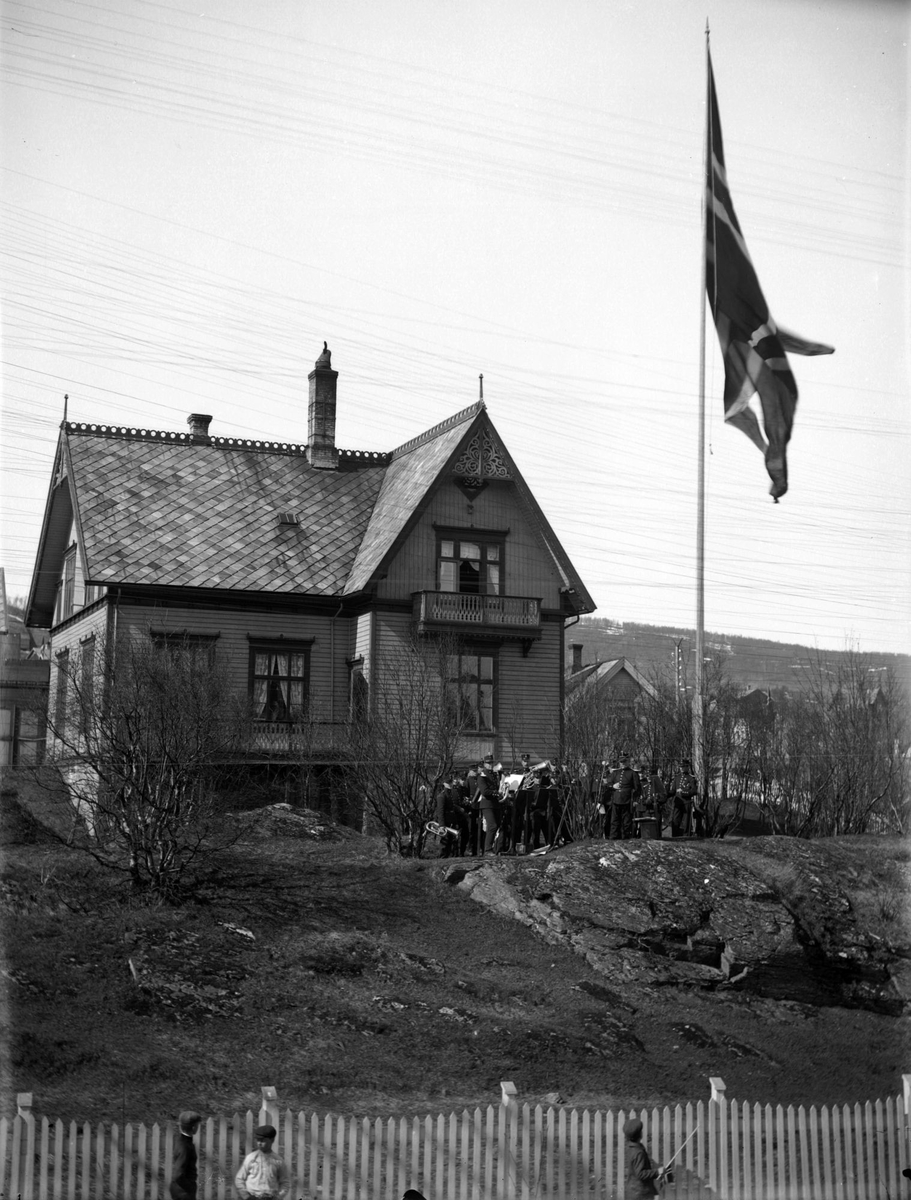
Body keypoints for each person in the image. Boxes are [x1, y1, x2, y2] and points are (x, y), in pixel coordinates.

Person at [234, 1124, 290, 1200]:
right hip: (252, 1196)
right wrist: (247, 1196)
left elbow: (285, 1182)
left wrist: (278, 1197)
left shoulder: (278, 1161)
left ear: (272, 1140)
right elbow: (239, 1179)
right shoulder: (251, 1158)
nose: (259, 1143)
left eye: (263, 1140)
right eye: (258, 1140)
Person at [623, 1117, 670, 1197]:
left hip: (633, 1191)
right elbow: (640, 1174)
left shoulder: (631, 1147)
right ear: (640, 1134)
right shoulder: (638, 1152)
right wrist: (657, 1172)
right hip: (641, 1193)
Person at [170, 1110, 202, 1200]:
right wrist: (190, 1187)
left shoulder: (181, 1141)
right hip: (183, 1193)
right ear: (193, 1127)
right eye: (197, 1125)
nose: (198, 1127)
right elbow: (178, 1174)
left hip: (180, 1190)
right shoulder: (185, 1146)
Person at [609, 753, 641, 840]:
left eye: (624, 762)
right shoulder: (615, 773)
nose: (622, 764)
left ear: (627, 762)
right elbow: (608, 784)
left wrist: (635, 800)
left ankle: (626, 837)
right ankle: (614, 836)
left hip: (627, 800)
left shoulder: (632, 773)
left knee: (627, 821)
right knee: (614, 820)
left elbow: (637, 789)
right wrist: (613, 786)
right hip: (616, 800)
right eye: (621, 762)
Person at [669, 759, 698, 838]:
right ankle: (675, 836)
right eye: (680, 767)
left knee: (686, 822)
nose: (681, 768)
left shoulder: (691, 778)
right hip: (678, 803)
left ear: (687, 767)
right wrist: (666, 794)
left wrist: (684, 792)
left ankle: (686, 837)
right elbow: (673, 791)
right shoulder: (677, 778)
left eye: (683, 767)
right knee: (675, 820)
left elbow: (694, 791)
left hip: (686, 802)